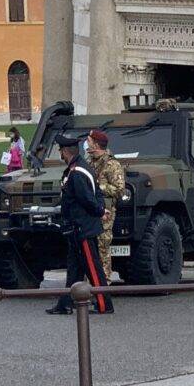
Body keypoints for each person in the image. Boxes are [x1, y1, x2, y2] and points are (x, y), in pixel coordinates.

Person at [46, 133, 113, 316]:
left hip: (83, 227)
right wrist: (100, 209)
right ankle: (65, 303)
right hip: (77, 228)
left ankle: (103, 304)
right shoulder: (80, 168)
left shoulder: (77, 173)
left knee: (93, 268)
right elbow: (96, 194)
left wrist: (99, 211)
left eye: (60, 150)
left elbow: (86, 199)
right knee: (74, 270)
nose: (60, 153)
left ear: (65, 152)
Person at [86, 129, 125, 284]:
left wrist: (99, 187)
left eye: (89, 140)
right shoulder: (89, 163)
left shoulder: (112, 164)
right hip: (90, 212)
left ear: (96, 144)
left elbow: (119, 189)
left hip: (105, 214)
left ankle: (104, 284)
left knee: (102, 248)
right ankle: (91, 282)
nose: (86, 143)